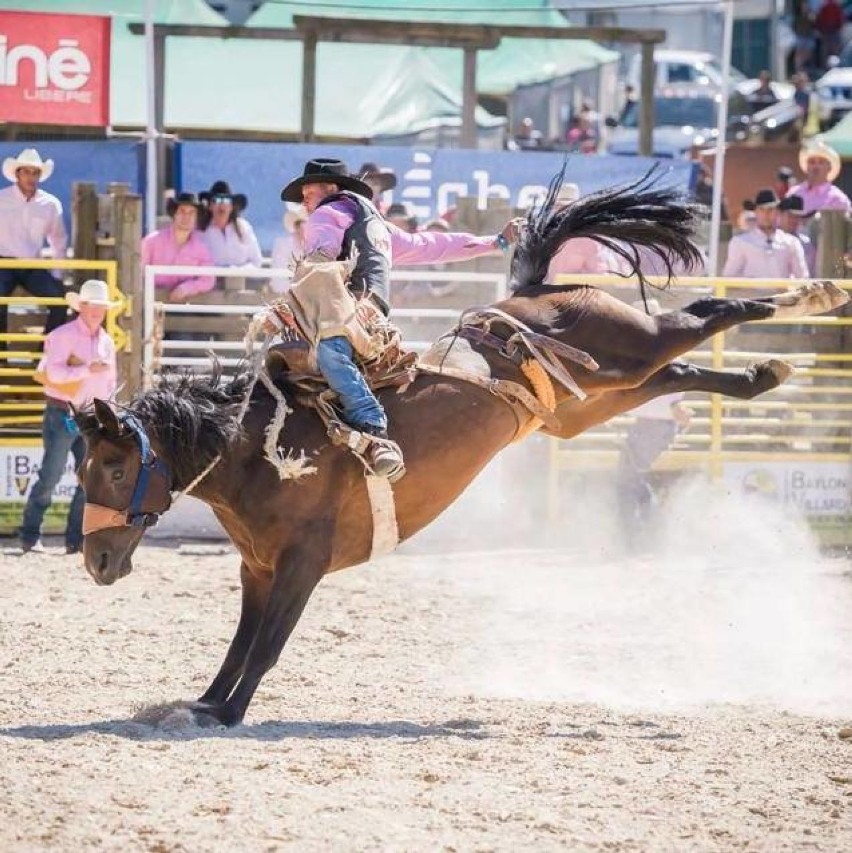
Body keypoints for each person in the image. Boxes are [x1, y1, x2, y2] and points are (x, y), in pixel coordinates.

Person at [278, 157, 522, 476]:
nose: (305, 203)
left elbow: (319, 261)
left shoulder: (328, 213)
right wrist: (496, 242)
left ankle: (375, 430)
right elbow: (432, 245)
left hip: (346, 307)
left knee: (327, 353)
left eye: (307, 194)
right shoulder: (376, 224)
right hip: (371, 311)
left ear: (330, 190)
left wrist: (300, 298)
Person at [20, 279, 118, 555]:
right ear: (82, 307)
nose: (98, 310)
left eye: (102, 306)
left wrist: (110, 414)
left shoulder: (106, 342)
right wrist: (87, 369)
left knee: (87, 480)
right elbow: (53, 375)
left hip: (89, 417)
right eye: (93, 305)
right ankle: (30, 536)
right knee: (50, 476)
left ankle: (74, 541)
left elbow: (110, 383)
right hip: (63, 412)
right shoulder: (62, 335)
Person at [616, 299, 692, 550]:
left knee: (629, 480)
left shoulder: (661, 351)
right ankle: (645, 535)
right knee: (631, 479)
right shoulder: (662, 349)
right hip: (653, 424)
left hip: (656, 424)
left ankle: (642, 536)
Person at [0, 148, 68, 346]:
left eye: (35, 172)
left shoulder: (50, 204)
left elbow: (59, 240)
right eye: (26, 172)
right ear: (17, 174)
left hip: (32, 265)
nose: (31, 177)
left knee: (59, 303)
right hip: (3, 263)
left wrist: (57, 275)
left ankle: (45, 354)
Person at [140, 192, 214, 302]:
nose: (186, 217)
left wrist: (187, 288)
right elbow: (139, 274)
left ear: (196, 217)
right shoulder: (151, 241)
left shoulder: (202, 249)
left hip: (185, 309)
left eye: (191, 213)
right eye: (182, 211)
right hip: (151, 305)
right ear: (174, 214)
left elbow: (208, 280)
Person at [723, 188, 809, 278]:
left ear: (778, 212)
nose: (766, 214)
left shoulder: (791, 243)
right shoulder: (740, 242)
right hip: (751, 291)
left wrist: (788, 288)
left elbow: (802, 278)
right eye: (761, 209)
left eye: (771, 209)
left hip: (783, 292)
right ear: (755, 212)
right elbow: (729, 277)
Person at [546, 183, 627, 278]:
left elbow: (600, 276)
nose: (562, 212)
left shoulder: (587, 238)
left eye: (566, 208)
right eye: (558, 207)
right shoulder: (543, 235)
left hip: (572, 290)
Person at [199, 180, 262, 268]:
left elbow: (256, 260)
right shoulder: (200, 231)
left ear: (232, 207)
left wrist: (238, 271)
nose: (221, 205)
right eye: (216, 200)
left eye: (226, 200)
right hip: (209, 279)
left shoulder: (244, 227)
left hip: (239, 279)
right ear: (210, 206)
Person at [786, 141, 852, 214]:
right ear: (806, 167)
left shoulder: (837, 199)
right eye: (812, 162)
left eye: (821, 162)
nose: (816, 166)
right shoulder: (794, 193)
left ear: (829, 167)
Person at [779, 193, 816, 275]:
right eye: (790, 215)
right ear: (780, 215)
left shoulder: (807, 244)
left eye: (797, 216)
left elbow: (811, 271)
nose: (793, 220)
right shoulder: (771, 240)